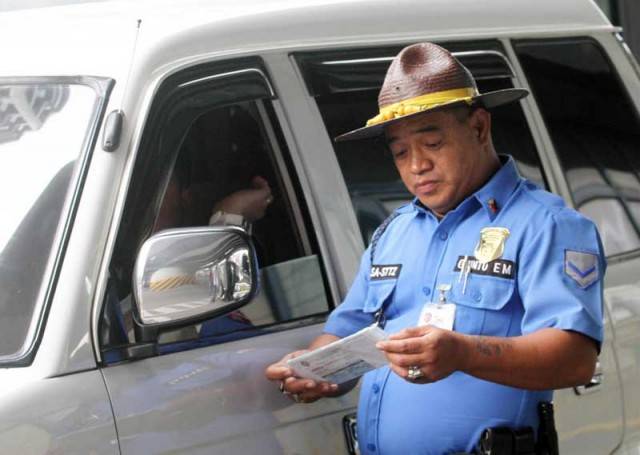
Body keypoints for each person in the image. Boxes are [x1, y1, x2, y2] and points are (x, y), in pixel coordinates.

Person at [265, 42, 604, 454]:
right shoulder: (394, 232)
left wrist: (462, 352)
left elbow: (575, 359)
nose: (416, 166)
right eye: (400, 152)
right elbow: (346, 330)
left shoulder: (546, 225)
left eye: (432, 144)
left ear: (479, 128)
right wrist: (316, 369)